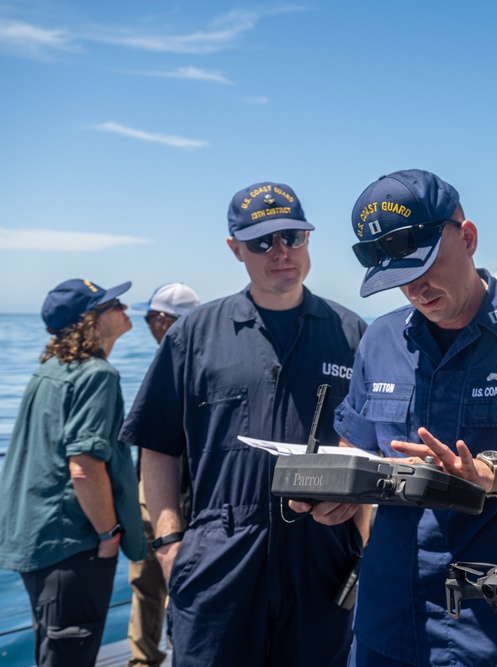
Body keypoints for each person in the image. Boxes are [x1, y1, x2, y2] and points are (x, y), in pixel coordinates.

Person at [293, 169, 497, 667]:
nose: (414, 290)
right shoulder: (378, 342)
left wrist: (493, 476)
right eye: (397, 278)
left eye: (423, 268)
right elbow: (353, 452)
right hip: (387, 623)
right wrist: (331, 493)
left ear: (467, 238)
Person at [119, 182, 368, 667]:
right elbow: (157, 445)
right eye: (262, 242)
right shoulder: (193, 336)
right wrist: (170, 545)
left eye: (293, 237)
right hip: (217, 561)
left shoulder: (352, 334)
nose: (281, 252)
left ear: (308, 240)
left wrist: (359, 540)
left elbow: (372, 445)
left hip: (324, 563)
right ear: (235, 249)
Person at [0, 278, 145, 667]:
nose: (125, 308)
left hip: (35, 537)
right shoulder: (98, 374)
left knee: (51, 649)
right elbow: (83, 466)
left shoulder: (49, 369)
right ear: (89, 321)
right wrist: (109, 534)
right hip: (73, 543)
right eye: (114, 304)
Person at [125, 282, 201, 667]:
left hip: (177, 500)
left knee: (166, 581)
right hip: (170, 495)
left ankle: (161, 656)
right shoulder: (187, 362)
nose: (149, 326)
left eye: (150, 318)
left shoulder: (186, 366)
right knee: (152, 581)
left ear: (163, 320)